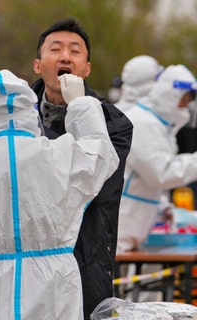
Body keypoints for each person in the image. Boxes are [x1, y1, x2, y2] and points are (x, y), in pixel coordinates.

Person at [0, 69, 119, 319]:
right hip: (53, 286)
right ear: (31, 110)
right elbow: (101, 154)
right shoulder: (57, 154)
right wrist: (80, 104)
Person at [29, 17, 133, 318]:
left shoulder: (115, 124)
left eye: (75, 51)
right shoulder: (8, 119)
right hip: (22, 265)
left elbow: (95, 188)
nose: (65, 56)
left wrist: (80, 109)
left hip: (85, 260)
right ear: (38, 65)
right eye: (55, 49)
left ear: (86, 69)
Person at [117, 64, 197, 253]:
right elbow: (162, 173)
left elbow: (145, 180)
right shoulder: (142, 123)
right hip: (122, 226)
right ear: (170, 96)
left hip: (135, 227)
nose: (185, 107)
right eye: (184, 100)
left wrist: (163, 208)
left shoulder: (160, 125)